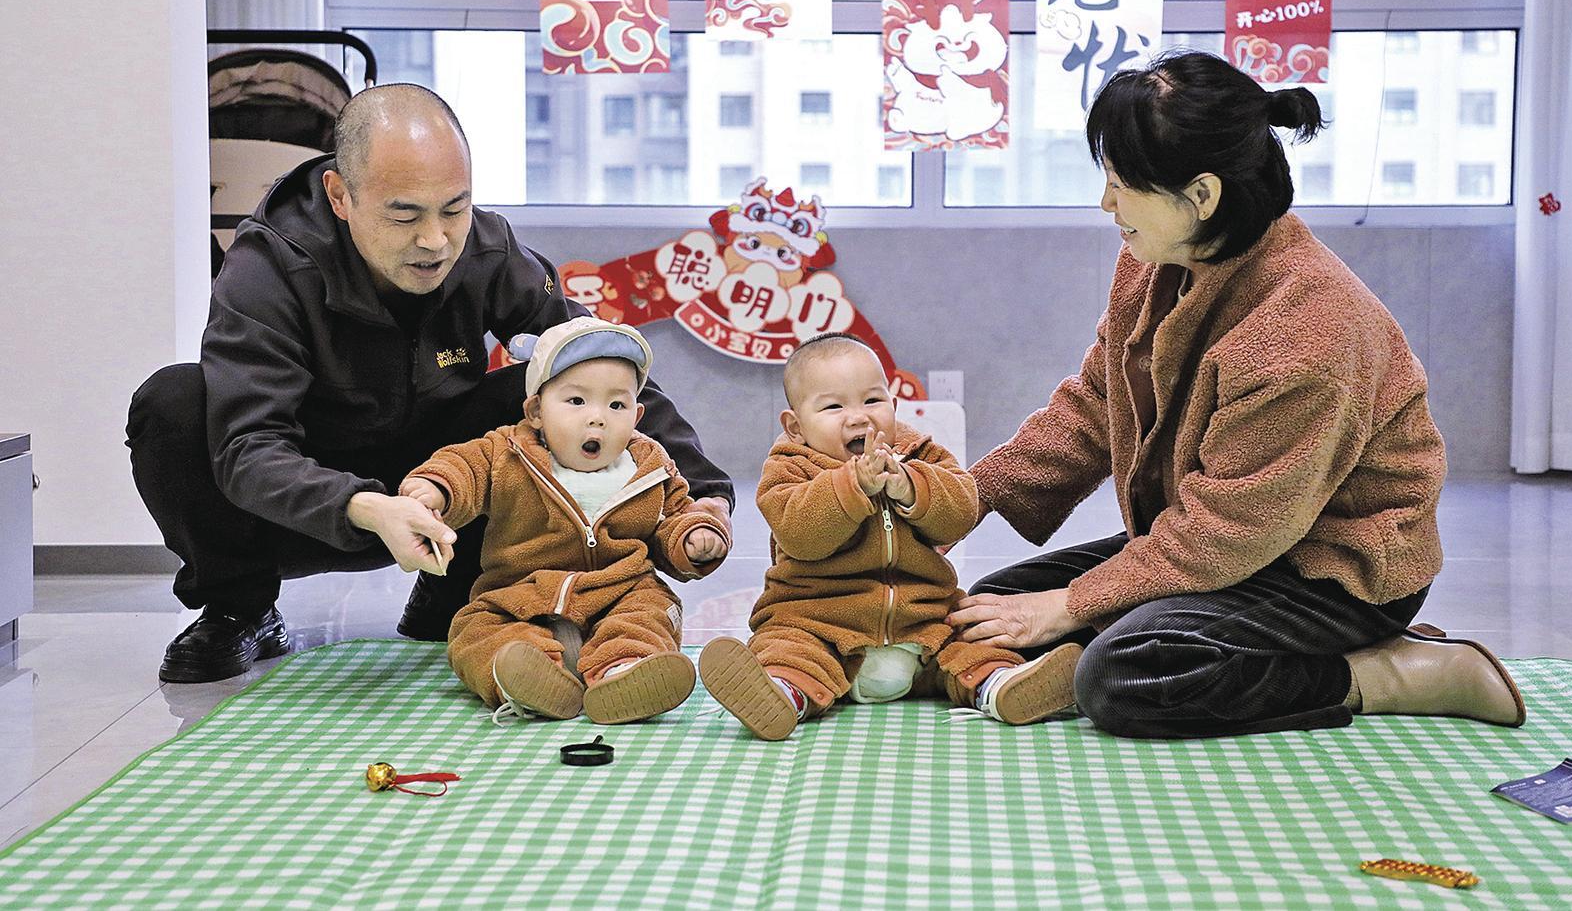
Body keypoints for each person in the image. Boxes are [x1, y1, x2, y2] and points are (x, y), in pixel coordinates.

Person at [949, 51, 1525, 739]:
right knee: (992, 608)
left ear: (1202, 196)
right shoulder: (1156, 261)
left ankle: (1393, 672)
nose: (1106, 204)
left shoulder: (1305, 330)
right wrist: (959, 498)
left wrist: (1073, 605)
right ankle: (1155, 646)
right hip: (1223, 536)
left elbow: (1232, 530)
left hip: (1331, 569)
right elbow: (1096, 404)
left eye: (1122, 185)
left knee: (1120, 675)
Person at [126, 84, 732, 684]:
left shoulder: (488, 251)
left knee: (543, 389)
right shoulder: (269, 267)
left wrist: (706, 494)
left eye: (454, 209)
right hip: (305, 505)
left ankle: (459, 592)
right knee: (173, 403)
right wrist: (363, 506)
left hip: (445, 492)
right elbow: (248, 447)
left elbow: (597, 363)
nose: (435, 241)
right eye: (404, 214)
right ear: (340, 196)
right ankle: (239, 608)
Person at [699, 333, 1080, 741]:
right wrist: (852, 487)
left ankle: (1002, 686)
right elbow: (799, 534)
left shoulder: (921, 455)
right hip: (820, 623)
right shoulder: (789, 469)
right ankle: (781, 695)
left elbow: (961, 513)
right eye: (833, 406)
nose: (859, 417)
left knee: (971, 642)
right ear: (795, 426)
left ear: (894, 406)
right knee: (788, 650)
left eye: (872, 400)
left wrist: (913, 487)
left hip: (923, 624)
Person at [401, 317, 731, 724]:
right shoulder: (507, 454)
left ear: (637, 415)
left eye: (617, 405)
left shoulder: (649, 466)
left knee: (650, 611)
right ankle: (525, 676)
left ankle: (624, 670)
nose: (598, 418)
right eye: (576, 401)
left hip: (619, 590)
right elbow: (465, 468)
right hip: (522, 595)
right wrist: (436, 488)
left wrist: (694, 535)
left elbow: (675, 514)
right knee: (476, 629)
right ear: (536, 411)